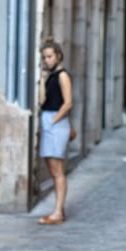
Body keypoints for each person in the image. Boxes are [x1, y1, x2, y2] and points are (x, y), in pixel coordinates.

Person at [38, 37, 73, 225]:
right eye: (44, 57)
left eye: (50, 56)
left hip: (55, 123)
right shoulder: (51, 77)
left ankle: (58, 212)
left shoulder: (63, 76)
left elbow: (68, 103)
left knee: (57, 170)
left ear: (58, 56)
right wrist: (42, 79)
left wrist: (53, 121)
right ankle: (59, 210)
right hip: (50, 120)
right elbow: (43, 101)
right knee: (53, 170)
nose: (47, 60)